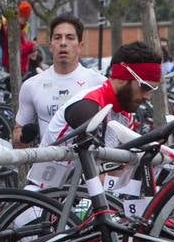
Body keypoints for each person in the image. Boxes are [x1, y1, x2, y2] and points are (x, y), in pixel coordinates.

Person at [45, 41, 162, 146]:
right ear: (121, 78)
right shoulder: (87, 105)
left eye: (152, 90)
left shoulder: (126, 114)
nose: (148, 97)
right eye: (145, 87)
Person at [13, 14, 106, 146]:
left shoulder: (99, 83)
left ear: (80, 46)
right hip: (47, 164)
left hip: (85, 164)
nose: (63, 43)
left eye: (69, 38)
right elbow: (17, 140)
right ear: (50, 46)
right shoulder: (31, 85)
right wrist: (24, 136)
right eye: (57, 38)